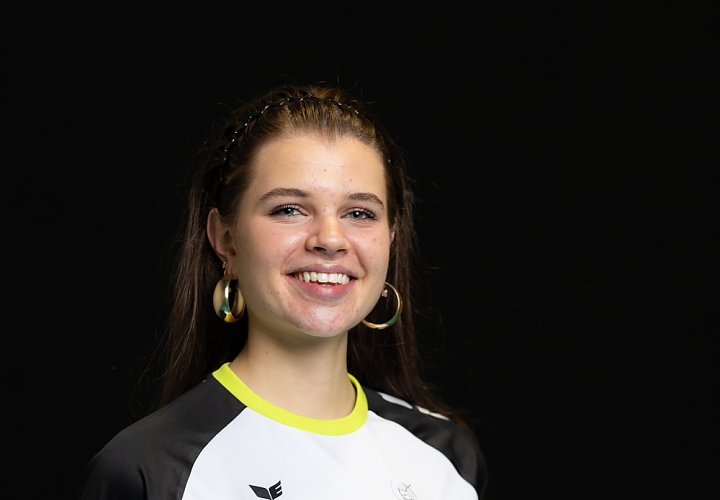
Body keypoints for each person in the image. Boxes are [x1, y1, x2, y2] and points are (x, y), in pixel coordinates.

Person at [78, 82, 488, 499]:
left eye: (359, 213)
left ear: (391, 238)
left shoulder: (446, 458)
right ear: (226, 239)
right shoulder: (153, 470)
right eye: (289, 209)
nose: (330, 239)